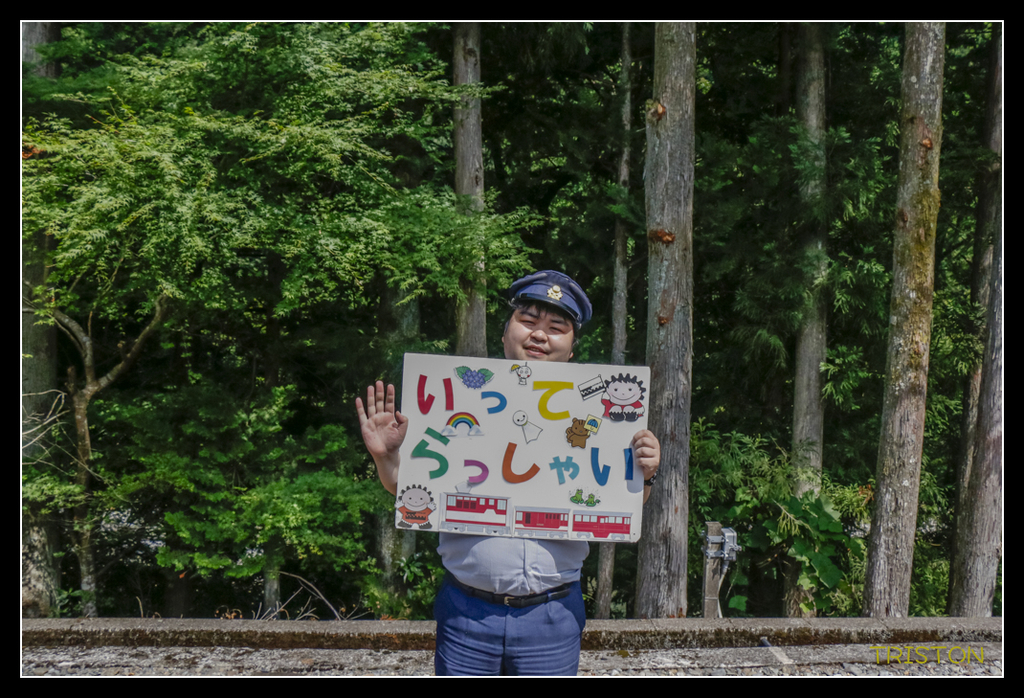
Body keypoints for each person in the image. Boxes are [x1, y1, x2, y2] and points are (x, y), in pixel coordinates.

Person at [356, 270, 661, 676]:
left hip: (553, 615)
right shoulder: (458, 401)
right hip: (466, 614)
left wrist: (645, 473)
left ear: (571, 350)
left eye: (556, 327)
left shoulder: (603, 414)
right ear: (504, 335)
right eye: (528, 320)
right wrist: (385, 458)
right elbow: (411, 493)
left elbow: (621, 504)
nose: (540, 334)